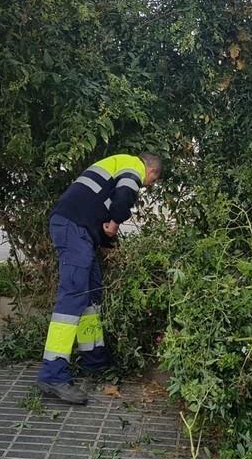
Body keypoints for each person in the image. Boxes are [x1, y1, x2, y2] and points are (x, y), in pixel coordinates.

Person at [37, 152, 162, 404]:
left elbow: (97, 207)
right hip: (73, 228)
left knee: (91, 295)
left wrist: (107, 237)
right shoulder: (133, 166)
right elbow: (124, 196)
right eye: (151, 183)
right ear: (152, 173)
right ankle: (53, 373)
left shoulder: (116, 165)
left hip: (79, 228)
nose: (146, 186)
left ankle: (94, 358)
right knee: (73, 296)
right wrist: (116, 222)